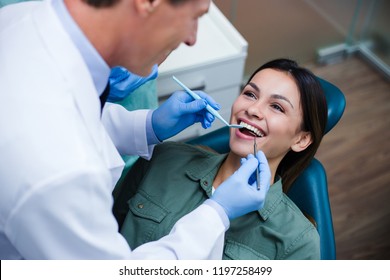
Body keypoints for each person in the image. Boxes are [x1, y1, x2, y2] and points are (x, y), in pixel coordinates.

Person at [0, 0, 271, 259]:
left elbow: (68, 108)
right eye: (195, 17)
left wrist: (146, 126)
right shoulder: (63, 174)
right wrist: (217, 213)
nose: (192, 38)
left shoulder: (20, 20)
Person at [113, 58, 328, 260]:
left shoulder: (300, 243)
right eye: (250, 94)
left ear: (302, 139)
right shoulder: (163, 159)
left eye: (277, 107)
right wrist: (150, 125)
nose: (252, 109)